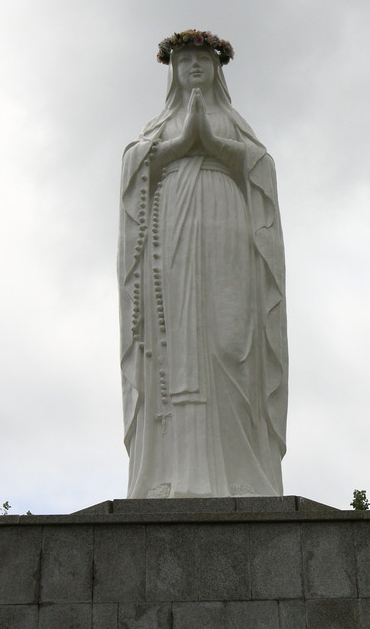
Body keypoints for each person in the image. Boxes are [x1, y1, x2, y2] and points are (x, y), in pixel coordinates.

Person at [119, 29, 287, 498]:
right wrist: (176, 146)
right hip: (171, 225)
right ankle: (174, 473)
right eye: (184, 60)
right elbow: (133, 168)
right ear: (172, 70)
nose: (193, 66)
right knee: (177, 345)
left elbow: (262, 169)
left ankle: (243, 473)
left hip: (225, 220)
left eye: (202, 59)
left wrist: (214, 142)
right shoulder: (158, 127)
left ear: (216, 67)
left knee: (230, 341)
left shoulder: (234, 123)